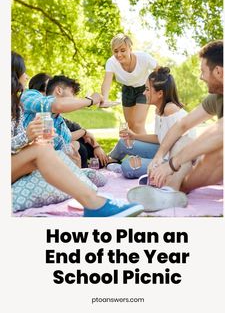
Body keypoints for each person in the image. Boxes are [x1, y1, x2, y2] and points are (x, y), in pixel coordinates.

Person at [11, 51, 144, 217]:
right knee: (42, 150)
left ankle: (93, 200)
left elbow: (65, 143)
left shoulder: (24, 109)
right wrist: (90, 100)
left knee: (78, 165)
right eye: (23, 71)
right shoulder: (29, 96)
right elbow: (54, 105)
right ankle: (94, 205)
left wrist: (79, 148)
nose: (27, 75)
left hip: (20, 164)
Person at [127, 40, 223, 211]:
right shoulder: (218, 98)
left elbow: (221, 131)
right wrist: (159, 156)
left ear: (218, 72)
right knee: (188, 144)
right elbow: (182, 125)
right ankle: (171, 190)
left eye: (203, 71)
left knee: (218, 151)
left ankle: (171, 187)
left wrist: (172, 164)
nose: (201, 77)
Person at [108, 67, 194, 179]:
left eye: (147, 89)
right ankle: (109, 160)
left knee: (127, 166)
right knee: (123, 142)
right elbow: (160, 138)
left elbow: (177, 146)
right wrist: (135, 136)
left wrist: (156, 160)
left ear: (160, 94)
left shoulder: (170, 109)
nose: (144, 93)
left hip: (175, 160)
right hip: (163, 151)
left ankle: (126, 166)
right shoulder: (159, 109)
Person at [28, 73, 108, 168]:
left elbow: (65, 139)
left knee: (77, 147)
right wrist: (90, 101)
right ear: (58, 90)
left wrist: (92, 142)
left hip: (45, 164)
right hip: (26, 162)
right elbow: (57, 105)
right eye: (72, 94)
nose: (74, 99)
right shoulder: (30, 96)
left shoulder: (59, 121)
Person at [101, 33, 158, 133]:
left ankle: (145, 149)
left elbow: (160, 70)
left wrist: (161, 91)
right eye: (115, 51)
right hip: (127, 90)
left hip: (144, 89)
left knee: (138, 124)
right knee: (130, 126)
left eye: (123, 50)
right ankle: (134, 148)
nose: (119, 54)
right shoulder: (111, 62)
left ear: (130, 49)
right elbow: (107, 80)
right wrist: (104, 99)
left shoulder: (144, 58)